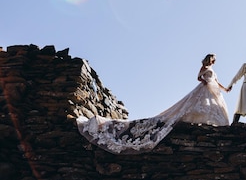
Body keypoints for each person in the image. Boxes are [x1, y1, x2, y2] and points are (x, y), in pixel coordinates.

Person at [77, 53, 229, 154]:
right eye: (213, 59)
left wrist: (224, 88)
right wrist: (204, 82)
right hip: (203, 89)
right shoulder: (204, 67)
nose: (213, 62)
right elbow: (198, 78)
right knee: (193, 106)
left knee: (213, 107)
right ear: (210, 59)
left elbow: (216, 81)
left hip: (213, 89)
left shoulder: (213, 71)